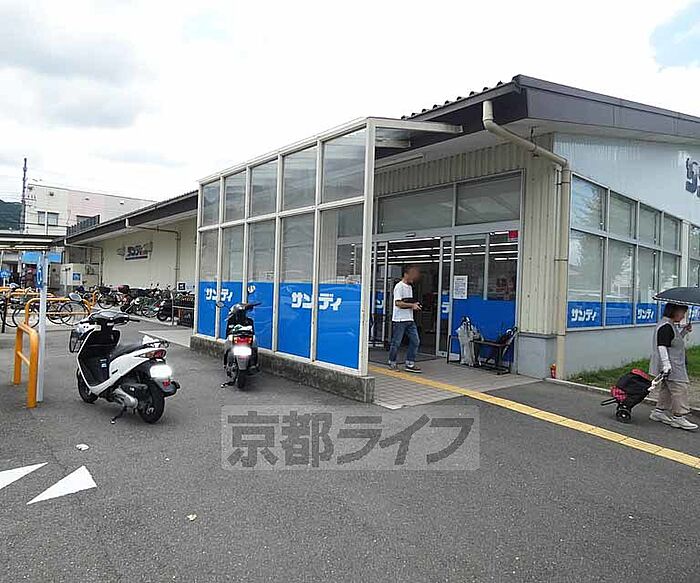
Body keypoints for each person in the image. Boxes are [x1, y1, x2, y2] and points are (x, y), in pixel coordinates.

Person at [648, 303, 698, 431]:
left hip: (672, 364)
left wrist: (684, 332)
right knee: (680, 389)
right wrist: (666, 365)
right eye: (682, 312)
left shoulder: (669, 325)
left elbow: (674, 342)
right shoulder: (666, 326)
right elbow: (662, 346)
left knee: (666, 389)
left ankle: (659, 411)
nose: (683, 316)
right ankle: (679, 416)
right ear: (674, 311)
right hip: (672, 365)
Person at [388, 265, 422, 373]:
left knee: (415, 341)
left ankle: (410, 363)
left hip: (409, 319)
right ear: (406, 274)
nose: (414, 277)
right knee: (396, 342)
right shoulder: (399, 287)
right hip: (399, 320)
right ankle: (392, 362)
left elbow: (406, 302)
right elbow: (398, 303)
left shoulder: (410, 287)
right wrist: (412, 306)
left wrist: (414, 304)